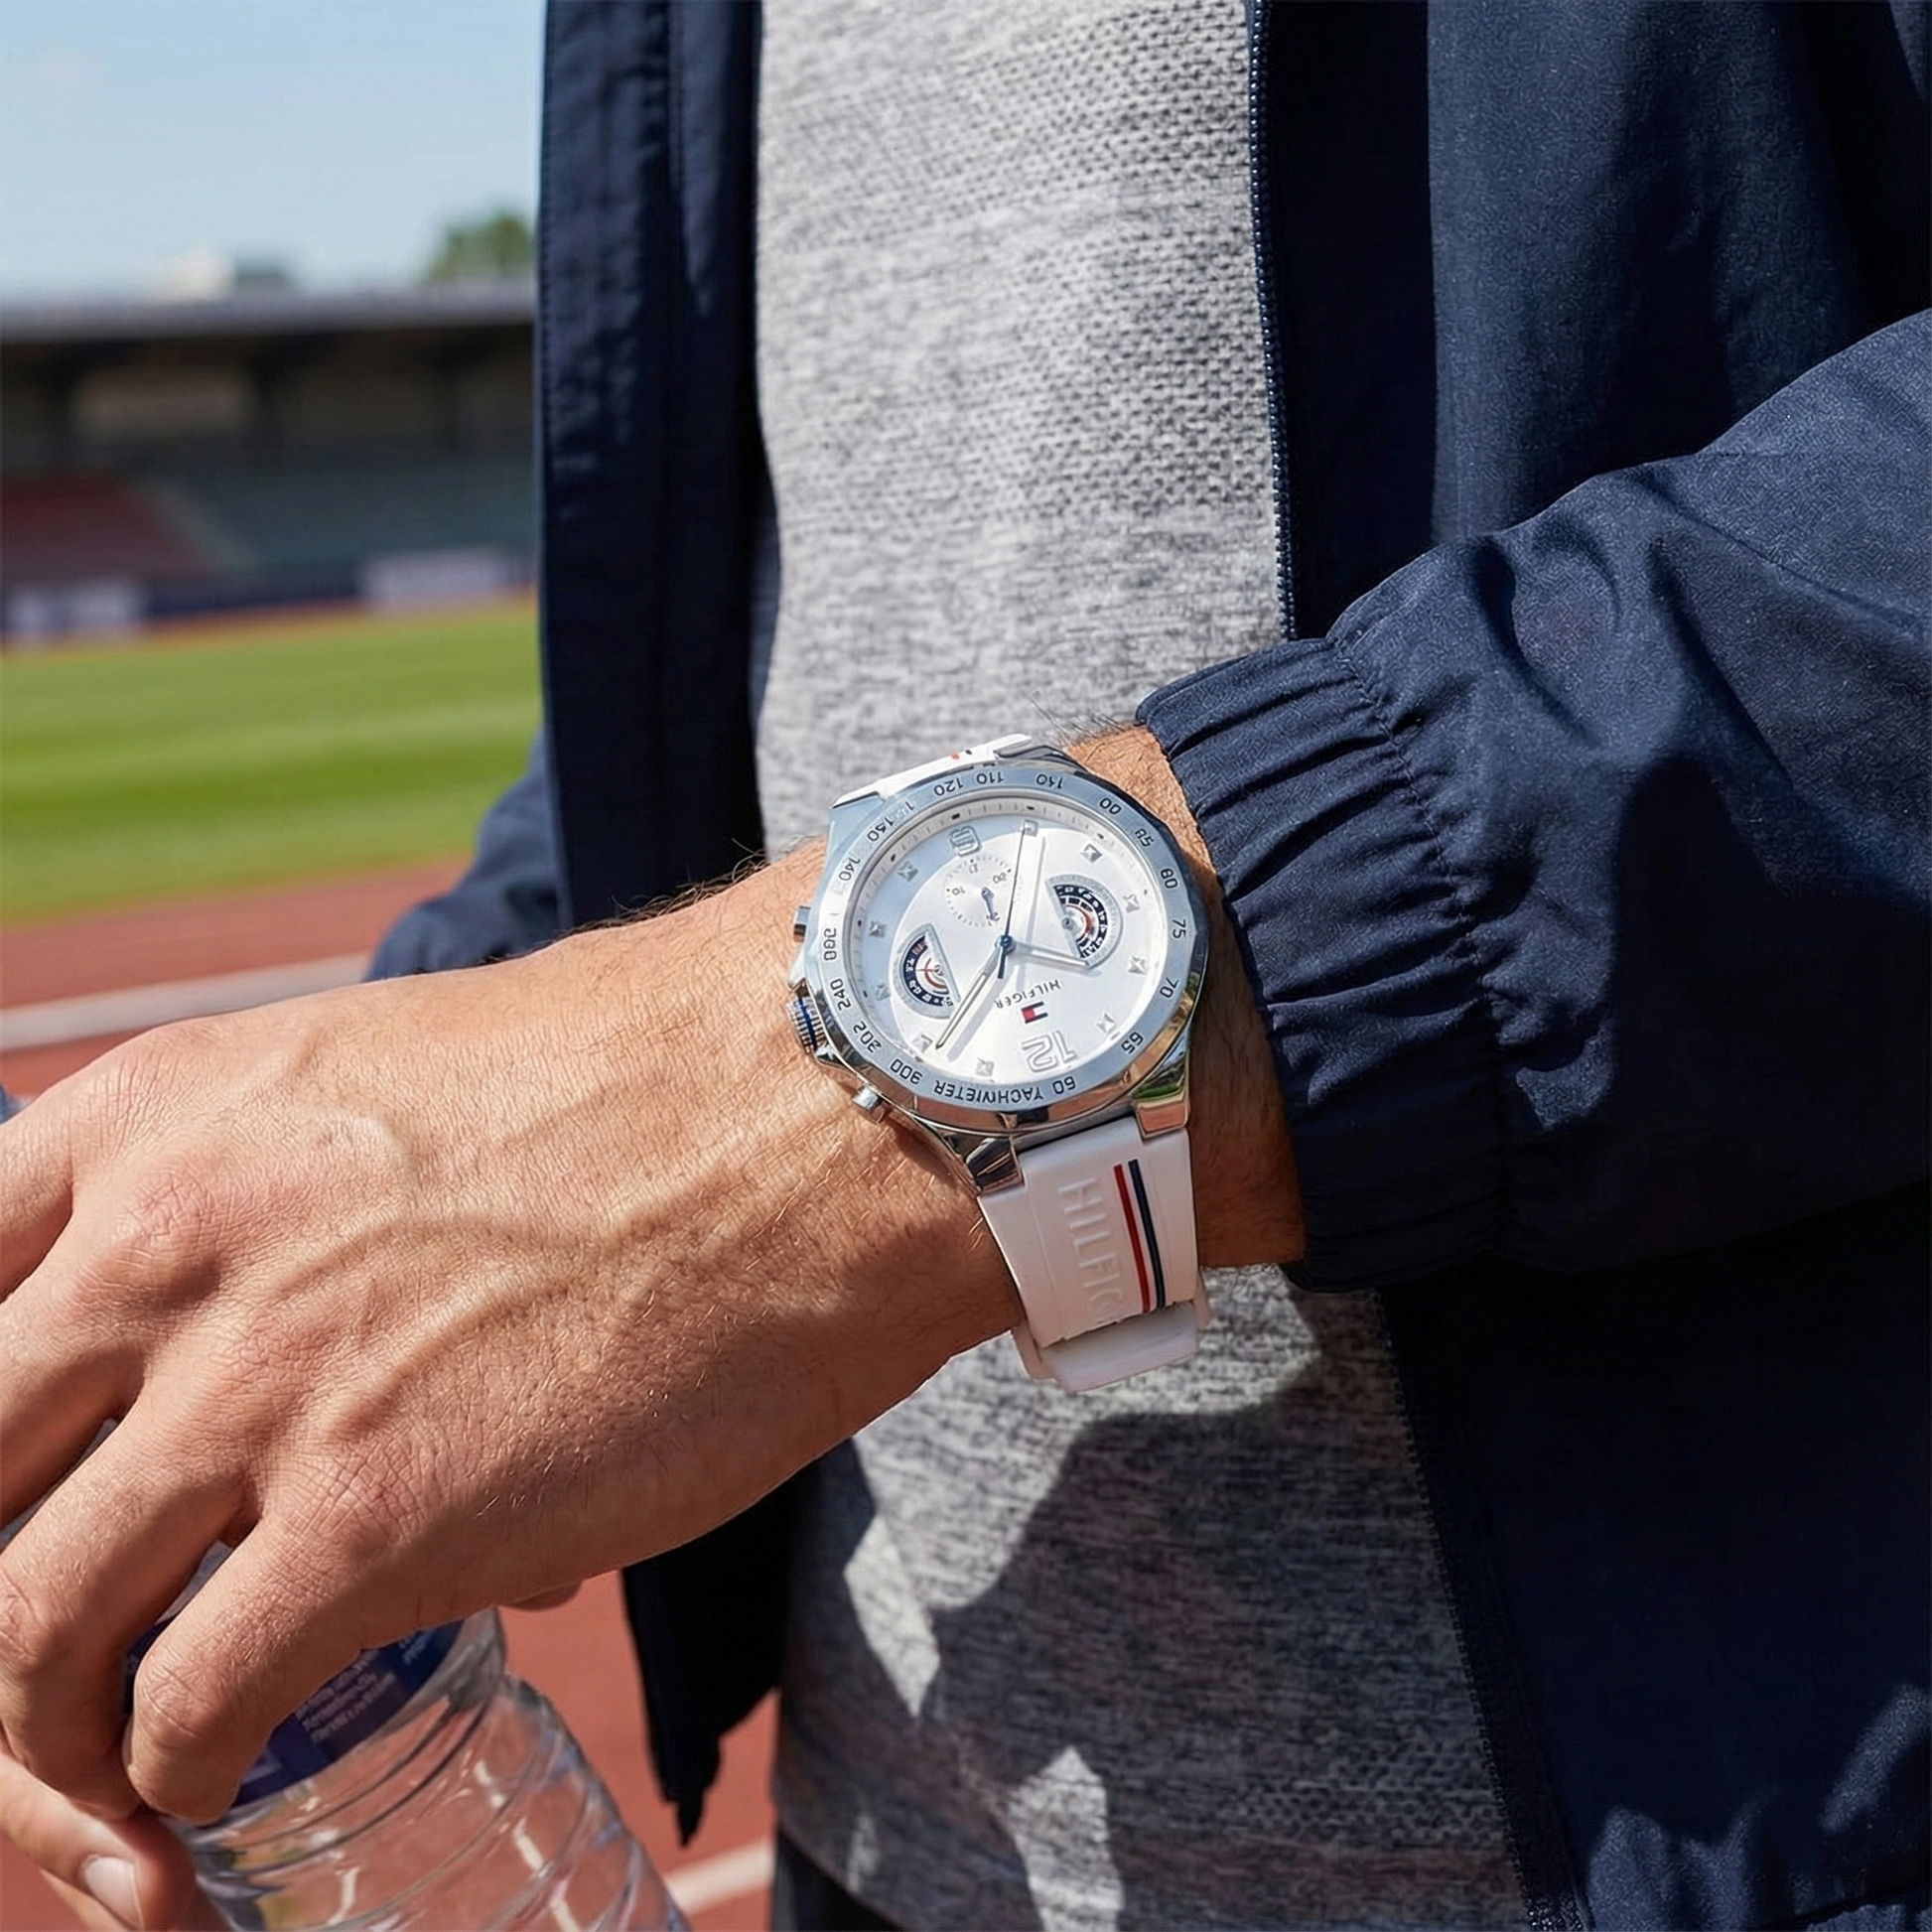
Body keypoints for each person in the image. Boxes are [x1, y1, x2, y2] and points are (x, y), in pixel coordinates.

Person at [2, 4, 1926, 1928]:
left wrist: (826, 1105)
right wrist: (361, 1169)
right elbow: (773, 643)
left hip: (1781, 1815)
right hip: (894, 1816)